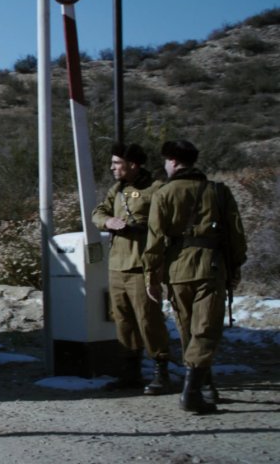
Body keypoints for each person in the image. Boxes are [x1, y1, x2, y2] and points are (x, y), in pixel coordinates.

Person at [143, 140, 247, 413]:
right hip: (211, 268)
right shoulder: (218, 191)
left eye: (166, 161)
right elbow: (236, 234)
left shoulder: (163, 194)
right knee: (206, 329)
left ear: (174, 161)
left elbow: (154, 241)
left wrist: (151, 277)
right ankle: (193, 391)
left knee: (188, 329)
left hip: (177, 270)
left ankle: (202, 387)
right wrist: (235, 267)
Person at [93, 143, 171, 395]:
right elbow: (98, 212)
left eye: (117, 163)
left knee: (149, 320)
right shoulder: (117, 189)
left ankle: (161, 370)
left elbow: (167, 223)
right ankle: (130, 372)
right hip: (117, 265)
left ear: (133, 165)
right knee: (123, 320)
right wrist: (108, 221)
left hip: (141, 264)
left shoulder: (156, 189)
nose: (112, 168)